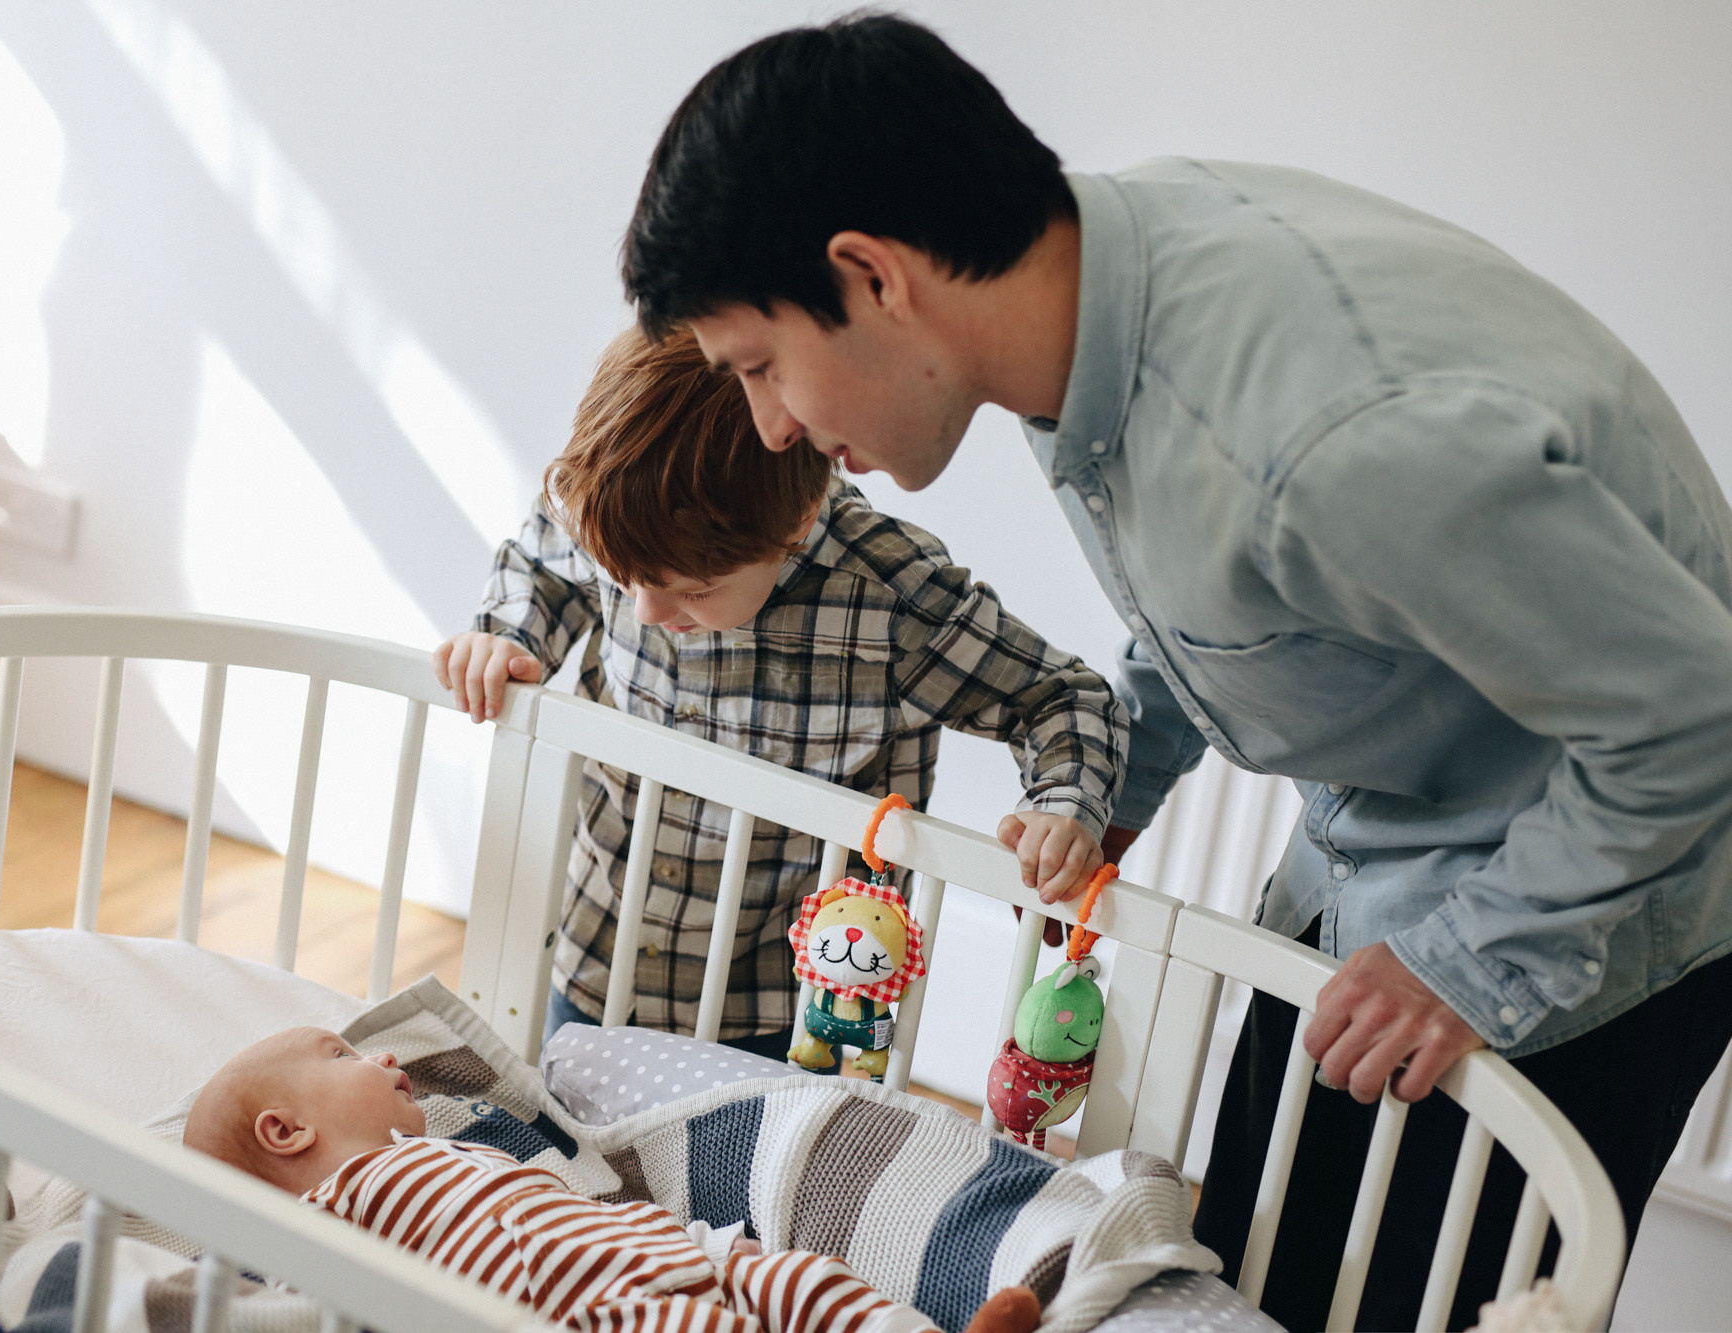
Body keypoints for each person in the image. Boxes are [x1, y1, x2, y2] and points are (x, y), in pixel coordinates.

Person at [617, 13, 1732, 1330]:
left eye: (758, 368)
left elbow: (1695, 719)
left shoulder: (1327, 437)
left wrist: (1466, 963)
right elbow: (1218, 588)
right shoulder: (1075, 320)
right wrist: (1122, 774)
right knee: (1244, 1283)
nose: (774, 426)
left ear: (872, 277)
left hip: (1560, 930)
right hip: (1361, 872)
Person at [434, 326, 1125, 1058]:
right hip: (602, 944)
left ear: (795, 525)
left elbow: (1065, 699)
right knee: (577, 1146)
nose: (645, 611)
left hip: (785, 1004)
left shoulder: (892, 597)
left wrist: (1061, 805)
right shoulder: (609, 502)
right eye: (622, 577)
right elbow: (537, 566)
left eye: (694, 591)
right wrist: (506, 637)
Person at [183, 1027, 1044, 1333]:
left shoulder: (463, 1147)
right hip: (582, 1309)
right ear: (286, 1130)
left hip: (671, 1249)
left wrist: (694, 1243)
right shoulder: (318, 1225)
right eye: (341, 1053)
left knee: (800, 1276)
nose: (377, 1055)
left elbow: (573, 1194)